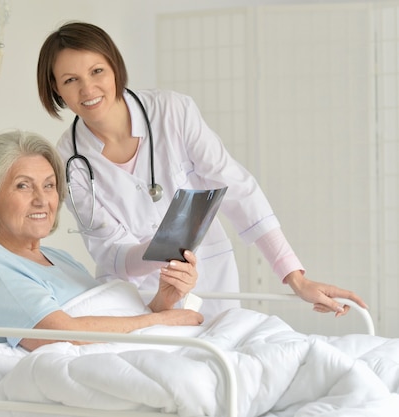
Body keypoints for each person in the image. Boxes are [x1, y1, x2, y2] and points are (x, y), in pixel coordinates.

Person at [36, 21, 367, 321]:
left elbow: (237, 188)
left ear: (114, 67)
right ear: (56, 89)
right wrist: (163, 254)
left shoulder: (172, 112)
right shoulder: (67, 161)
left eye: (97, 71)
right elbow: (111, 252)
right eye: (70, 80)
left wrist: (295, 277)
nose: (88, 89)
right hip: (135, 300)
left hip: (210, 282)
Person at [0, 130, 203, 351]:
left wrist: (163, 301)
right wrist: (158, 320)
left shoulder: (60, 259)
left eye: (49, 185)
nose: (42, 200)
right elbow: (60, 336)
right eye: (23, 186)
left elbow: (113, 324)